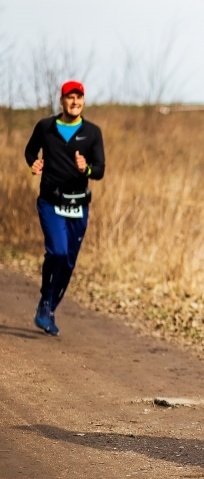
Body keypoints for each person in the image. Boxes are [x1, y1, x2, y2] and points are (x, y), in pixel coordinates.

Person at [24, 80, 105, 336]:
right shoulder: (46, 127)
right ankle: (45, 301)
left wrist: (86, 169)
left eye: (79, 98)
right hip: (50, 201)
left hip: (78, 205)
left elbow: (100, 170)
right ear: (62, 100)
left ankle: (48, 310)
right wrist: (34, 164)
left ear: (83, 101)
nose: (75, 102)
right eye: (70, 98)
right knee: (57, 251)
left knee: (69, 261)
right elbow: (29, 152)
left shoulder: (92, 132)